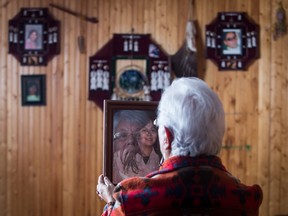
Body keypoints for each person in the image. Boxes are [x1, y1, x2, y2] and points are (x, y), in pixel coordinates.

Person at [96, 77, 263, 216]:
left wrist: (112, 203)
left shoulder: (129, 201)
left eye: (156, 125)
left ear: (166, 137)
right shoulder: (246, 199)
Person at [112, 110, 161, 183]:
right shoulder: (111, 166)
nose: (131, 141)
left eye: (136, 135)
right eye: (123, 135)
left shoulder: (157, 161)